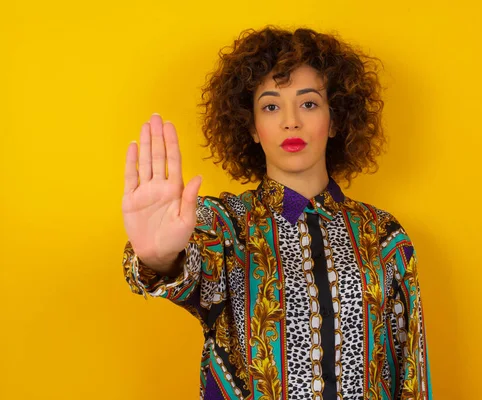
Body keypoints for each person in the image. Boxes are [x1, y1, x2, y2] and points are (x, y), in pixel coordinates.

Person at [121, 26, 432, 400]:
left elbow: (411, 369)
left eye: (309, 103)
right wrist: (160, 258)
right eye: (271, 106)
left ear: (335, 120)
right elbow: (185, 274)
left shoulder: (384, 237)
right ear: (251, 126)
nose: (291, 121)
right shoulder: (224, 225)